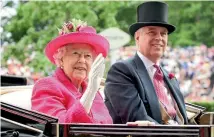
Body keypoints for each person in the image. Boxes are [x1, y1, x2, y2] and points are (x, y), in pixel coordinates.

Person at [104, 1, 188, 125]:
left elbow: (183, 121)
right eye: (152, 32)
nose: (159, 38)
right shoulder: (122, 71)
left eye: (163, 33)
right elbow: (138, 119)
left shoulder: (170, 78)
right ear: (137, 37)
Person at [31, 19, 113, 124]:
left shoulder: (93, 91)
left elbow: (108, 124)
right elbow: (59, 127)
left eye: (87, 56)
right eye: (75, 53)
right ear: (61, 59)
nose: (82, 60)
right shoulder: (46, 86)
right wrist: (90, 92)